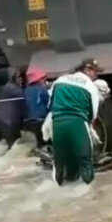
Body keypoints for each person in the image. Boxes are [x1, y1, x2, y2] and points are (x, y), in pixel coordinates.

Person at [48, 58, 103, 186]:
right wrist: (88, 126)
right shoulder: (90, 86)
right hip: (78, 123)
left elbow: (50, 104)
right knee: (86, 159)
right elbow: (93, 113)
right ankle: (89, 193)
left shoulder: (59, 80)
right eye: (95, 71)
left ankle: (58, 187)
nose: (96, 75)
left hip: (58, 124)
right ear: (87, 70)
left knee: (59, 160)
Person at [0, 70, 25, 150]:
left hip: (9, 119)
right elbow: (22, 95)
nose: (21, 79)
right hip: (7, 120)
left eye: (21, 77)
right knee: (12, 143)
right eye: (18, 77)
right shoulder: (11, 87)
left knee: (15, 142)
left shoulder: (11, 87)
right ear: (13, 78)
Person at [23, 67, 50, 149]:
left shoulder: (27, 90)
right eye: (44, 78)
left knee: (39, 140)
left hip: (31, 119)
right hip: (42, 118)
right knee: (47, 139)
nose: (45, 80)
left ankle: (40, 155)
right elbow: (48, 102)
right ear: (39, 79)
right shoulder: (42, 89)